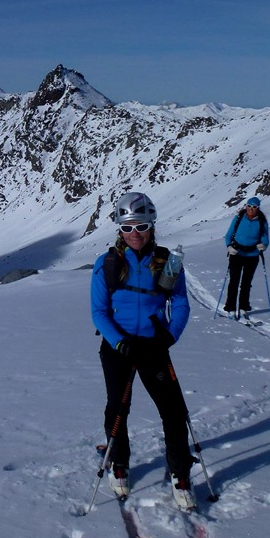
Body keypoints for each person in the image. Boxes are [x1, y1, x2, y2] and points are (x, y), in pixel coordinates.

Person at [91, 192, 195, 509]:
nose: (135, 234)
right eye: (128, 227)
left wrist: (169, 337)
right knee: (118, 409)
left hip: (154, 346)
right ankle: (119, 464)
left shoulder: (168, 262)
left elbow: (180, 304)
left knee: (174, 411)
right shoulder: (106, 264)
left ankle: (180, 473)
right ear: (119, 230)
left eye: (142, 226)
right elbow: (99, 312)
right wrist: (120, 342)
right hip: (118, 348)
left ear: (152, 226)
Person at [223, 196, 270, 319]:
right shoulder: (238, 218)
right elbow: (228, 235)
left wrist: (264, 245)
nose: (251, 209)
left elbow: (265, 238)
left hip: (252, 255)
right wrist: (229, 247)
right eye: (249, 206)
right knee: (234, 282)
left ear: (258, 208)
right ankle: (230, 308)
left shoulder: (262, 221)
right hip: (236, 253)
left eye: (254, 207)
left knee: (246, 283)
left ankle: (243, 307)